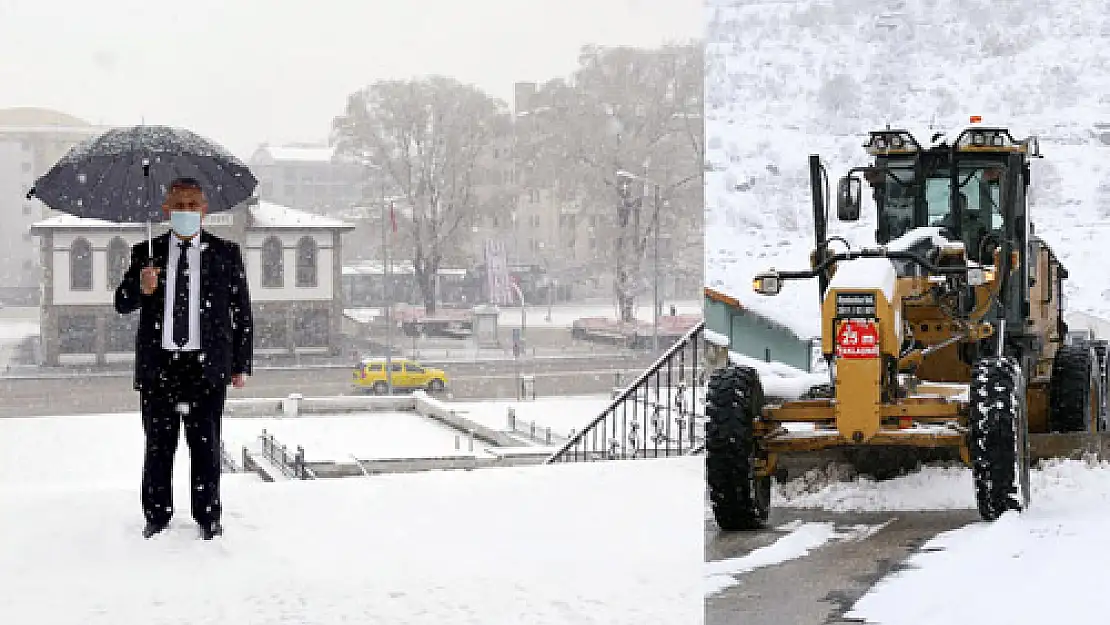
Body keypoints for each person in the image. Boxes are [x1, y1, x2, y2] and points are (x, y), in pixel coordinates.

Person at [114, 177, 253, 540]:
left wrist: (239, 363)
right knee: (158, 447)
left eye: (193, 205)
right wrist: (140, 288)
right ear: (166, 210)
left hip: (205, 368)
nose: (186, 211)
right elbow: (121, 303)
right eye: (179, 205)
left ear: (205, 209)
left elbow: (242, 312)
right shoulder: (146, 252)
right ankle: (157, 516)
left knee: (206, 447)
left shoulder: (225, 254)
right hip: (160, 367)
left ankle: (208, 517)